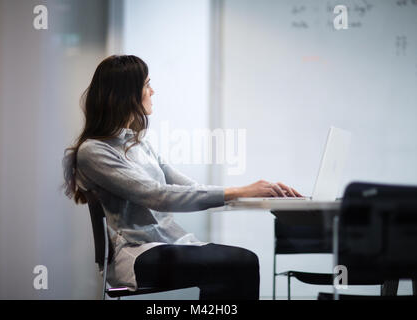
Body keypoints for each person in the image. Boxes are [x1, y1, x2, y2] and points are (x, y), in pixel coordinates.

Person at [62, 55, 302, 300]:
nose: (152, 91)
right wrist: (240, 192)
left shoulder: (139, 144)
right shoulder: (94, 151)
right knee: (241, 263)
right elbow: (158, 196)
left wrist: (250, 190)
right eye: (146, 85)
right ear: (126, 95)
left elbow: (189, 187)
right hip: (136, 254)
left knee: (238, 266)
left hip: (169, 244)